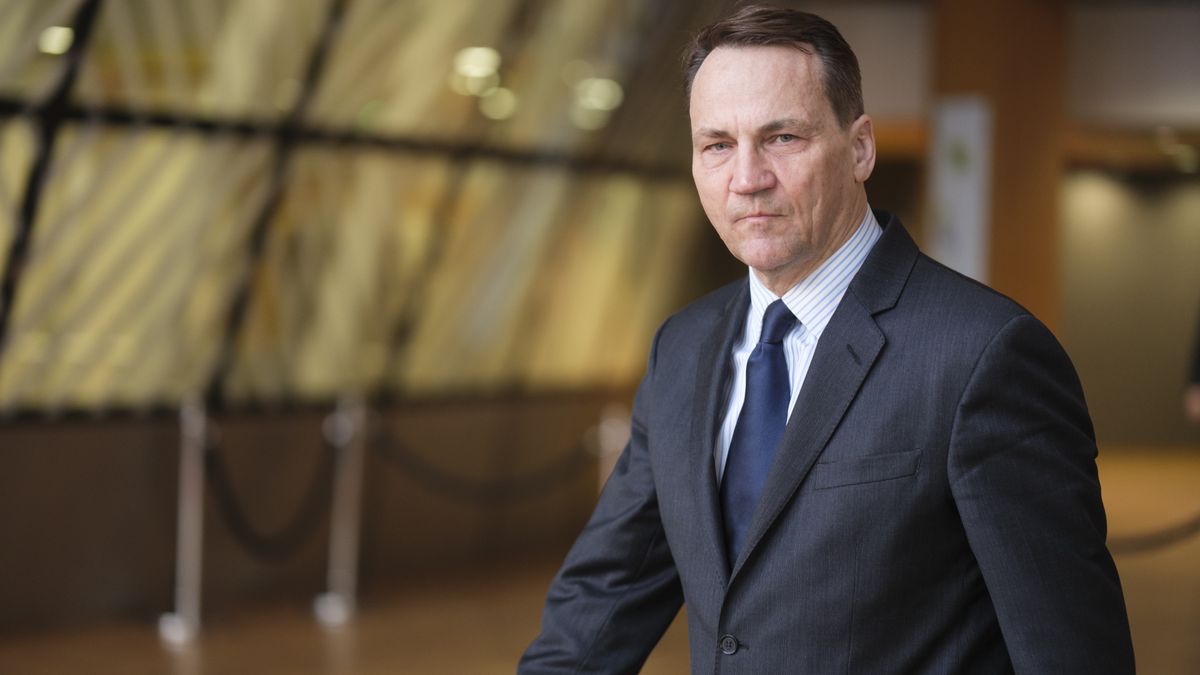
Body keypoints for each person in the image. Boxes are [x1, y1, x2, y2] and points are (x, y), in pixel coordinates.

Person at [519, 5, 1134, 673]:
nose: (747, 178)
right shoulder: (683, 349)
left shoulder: (984, 354)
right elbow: (600, 602)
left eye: (782, 137)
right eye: (717, 144)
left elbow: (1072, 653)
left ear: (860, 147)